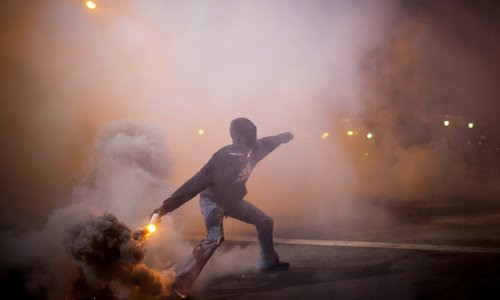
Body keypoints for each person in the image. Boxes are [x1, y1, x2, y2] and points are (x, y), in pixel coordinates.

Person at [150, 117, 294, 298]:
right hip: (213, 202)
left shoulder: (255, 148)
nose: (252, 138)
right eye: (247, 135)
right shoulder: (223, 158)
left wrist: (284, 137)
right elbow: (193, 185)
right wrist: (164, 208)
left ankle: (268, 260)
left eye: (254, 133)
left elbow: (269, 142)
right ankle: (181, 282)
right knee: (215, 237)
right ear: (235, 137)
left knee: (265, 222)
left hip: (231, 201)